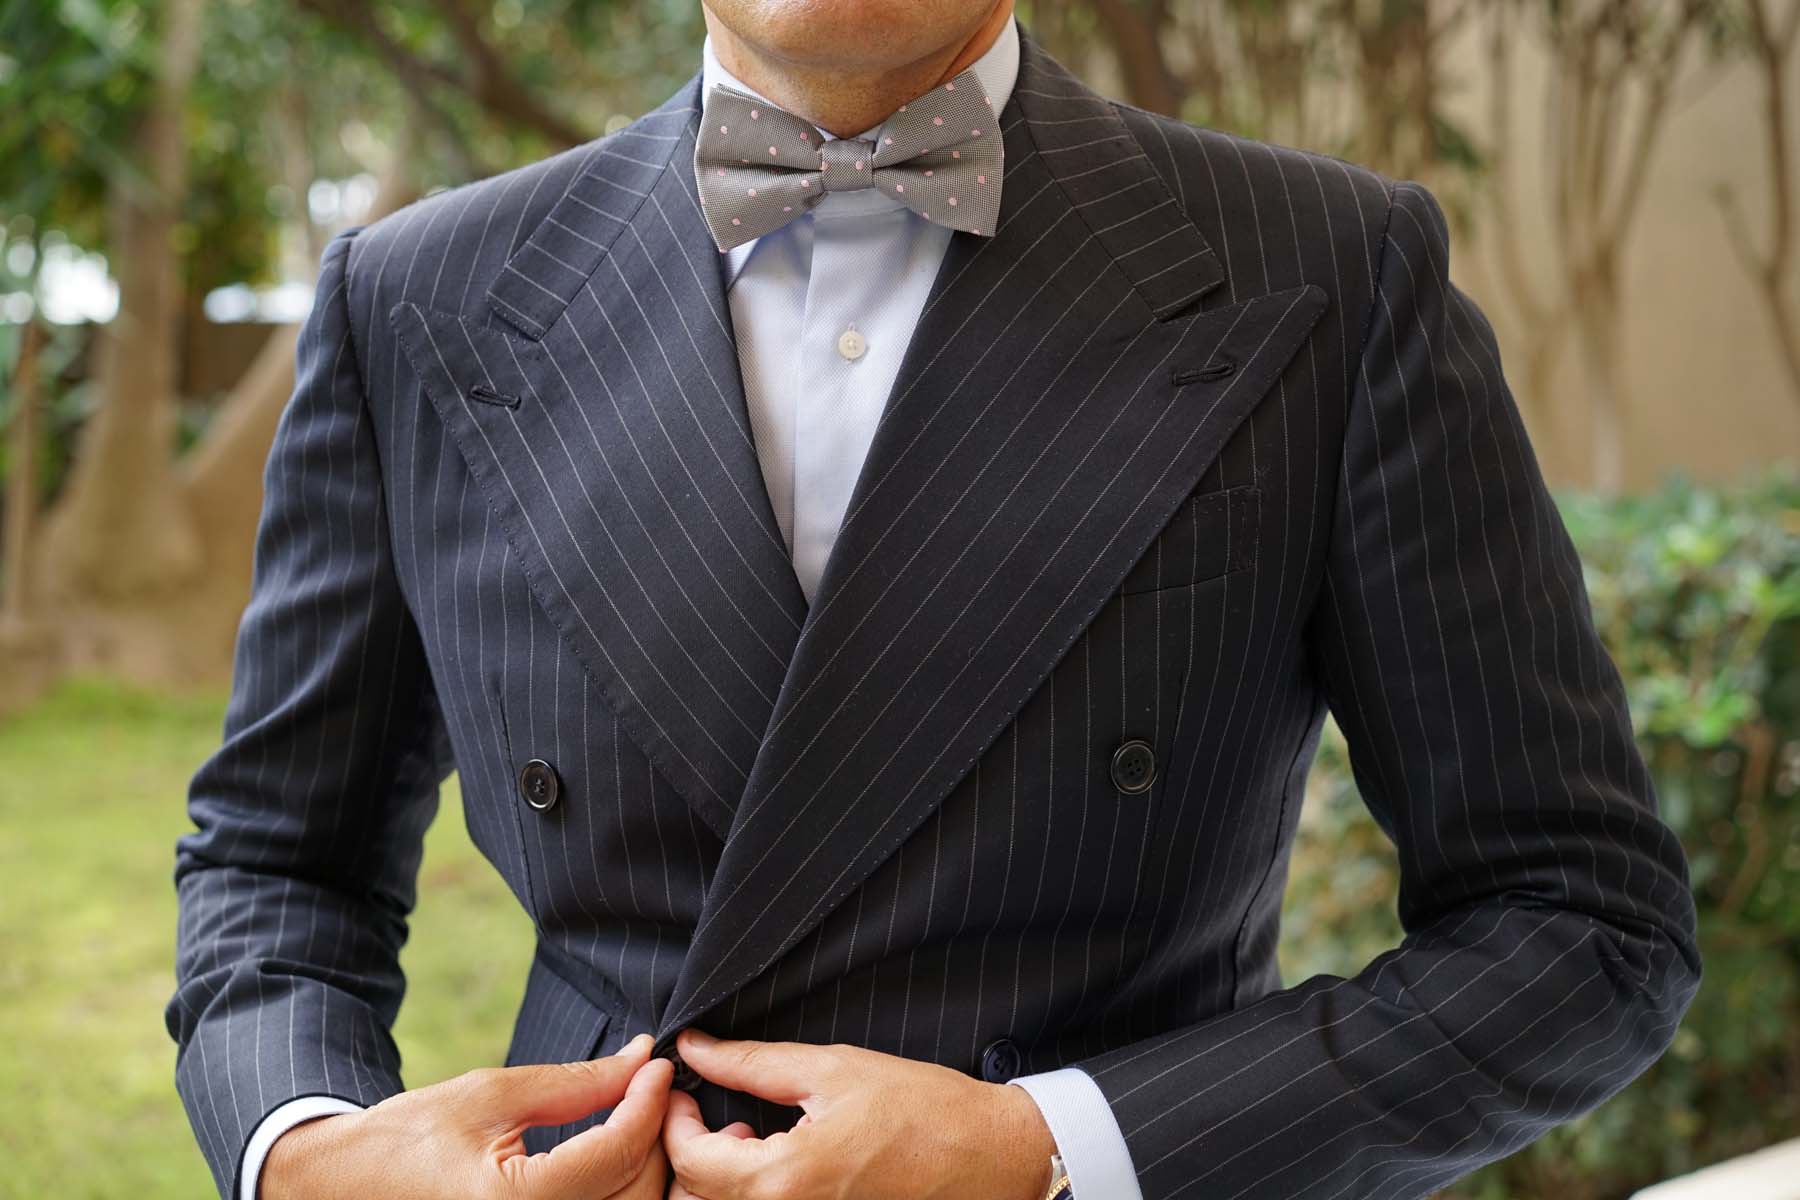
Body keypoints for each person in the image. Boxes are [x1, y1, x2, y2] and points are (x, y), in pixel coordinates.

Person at [166, 1, 1703, 1197]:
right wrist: (307, 1145)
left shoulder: (1334, 276)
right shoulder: (419, 298)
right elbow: (277, 864)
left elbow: (1581, 924)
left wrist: (1057, 1149)